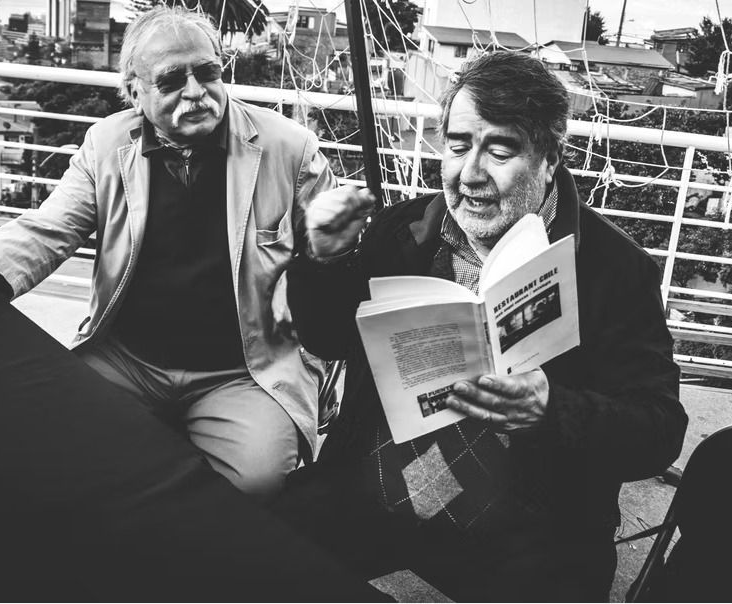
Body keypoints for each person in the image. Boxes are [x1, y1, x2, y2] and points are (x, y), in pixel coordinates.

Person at [274, 50, 688, 601]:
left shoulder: (615, 267)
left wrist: (553, 409)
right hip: (374, 488)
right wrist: (321, 261)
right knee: (256, 554)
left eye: (500, 150)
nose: (469, 174)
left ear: (549, 158)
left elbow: (660, 432)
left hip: (527, 531)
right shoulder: (403, 229)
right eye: (457, 145)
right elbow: (327, 338)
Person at [0, 6, 336, 498]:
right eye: (172, 80)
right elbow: (48, 230)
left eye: (208, 73)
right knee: (46, 449)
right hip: (127, 361)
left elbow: (336, 262)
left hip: (242, 372)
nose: (196, 92)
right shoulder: (106, 145)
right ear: (134, 91)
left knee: (257, 484)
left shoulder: (289, 148)